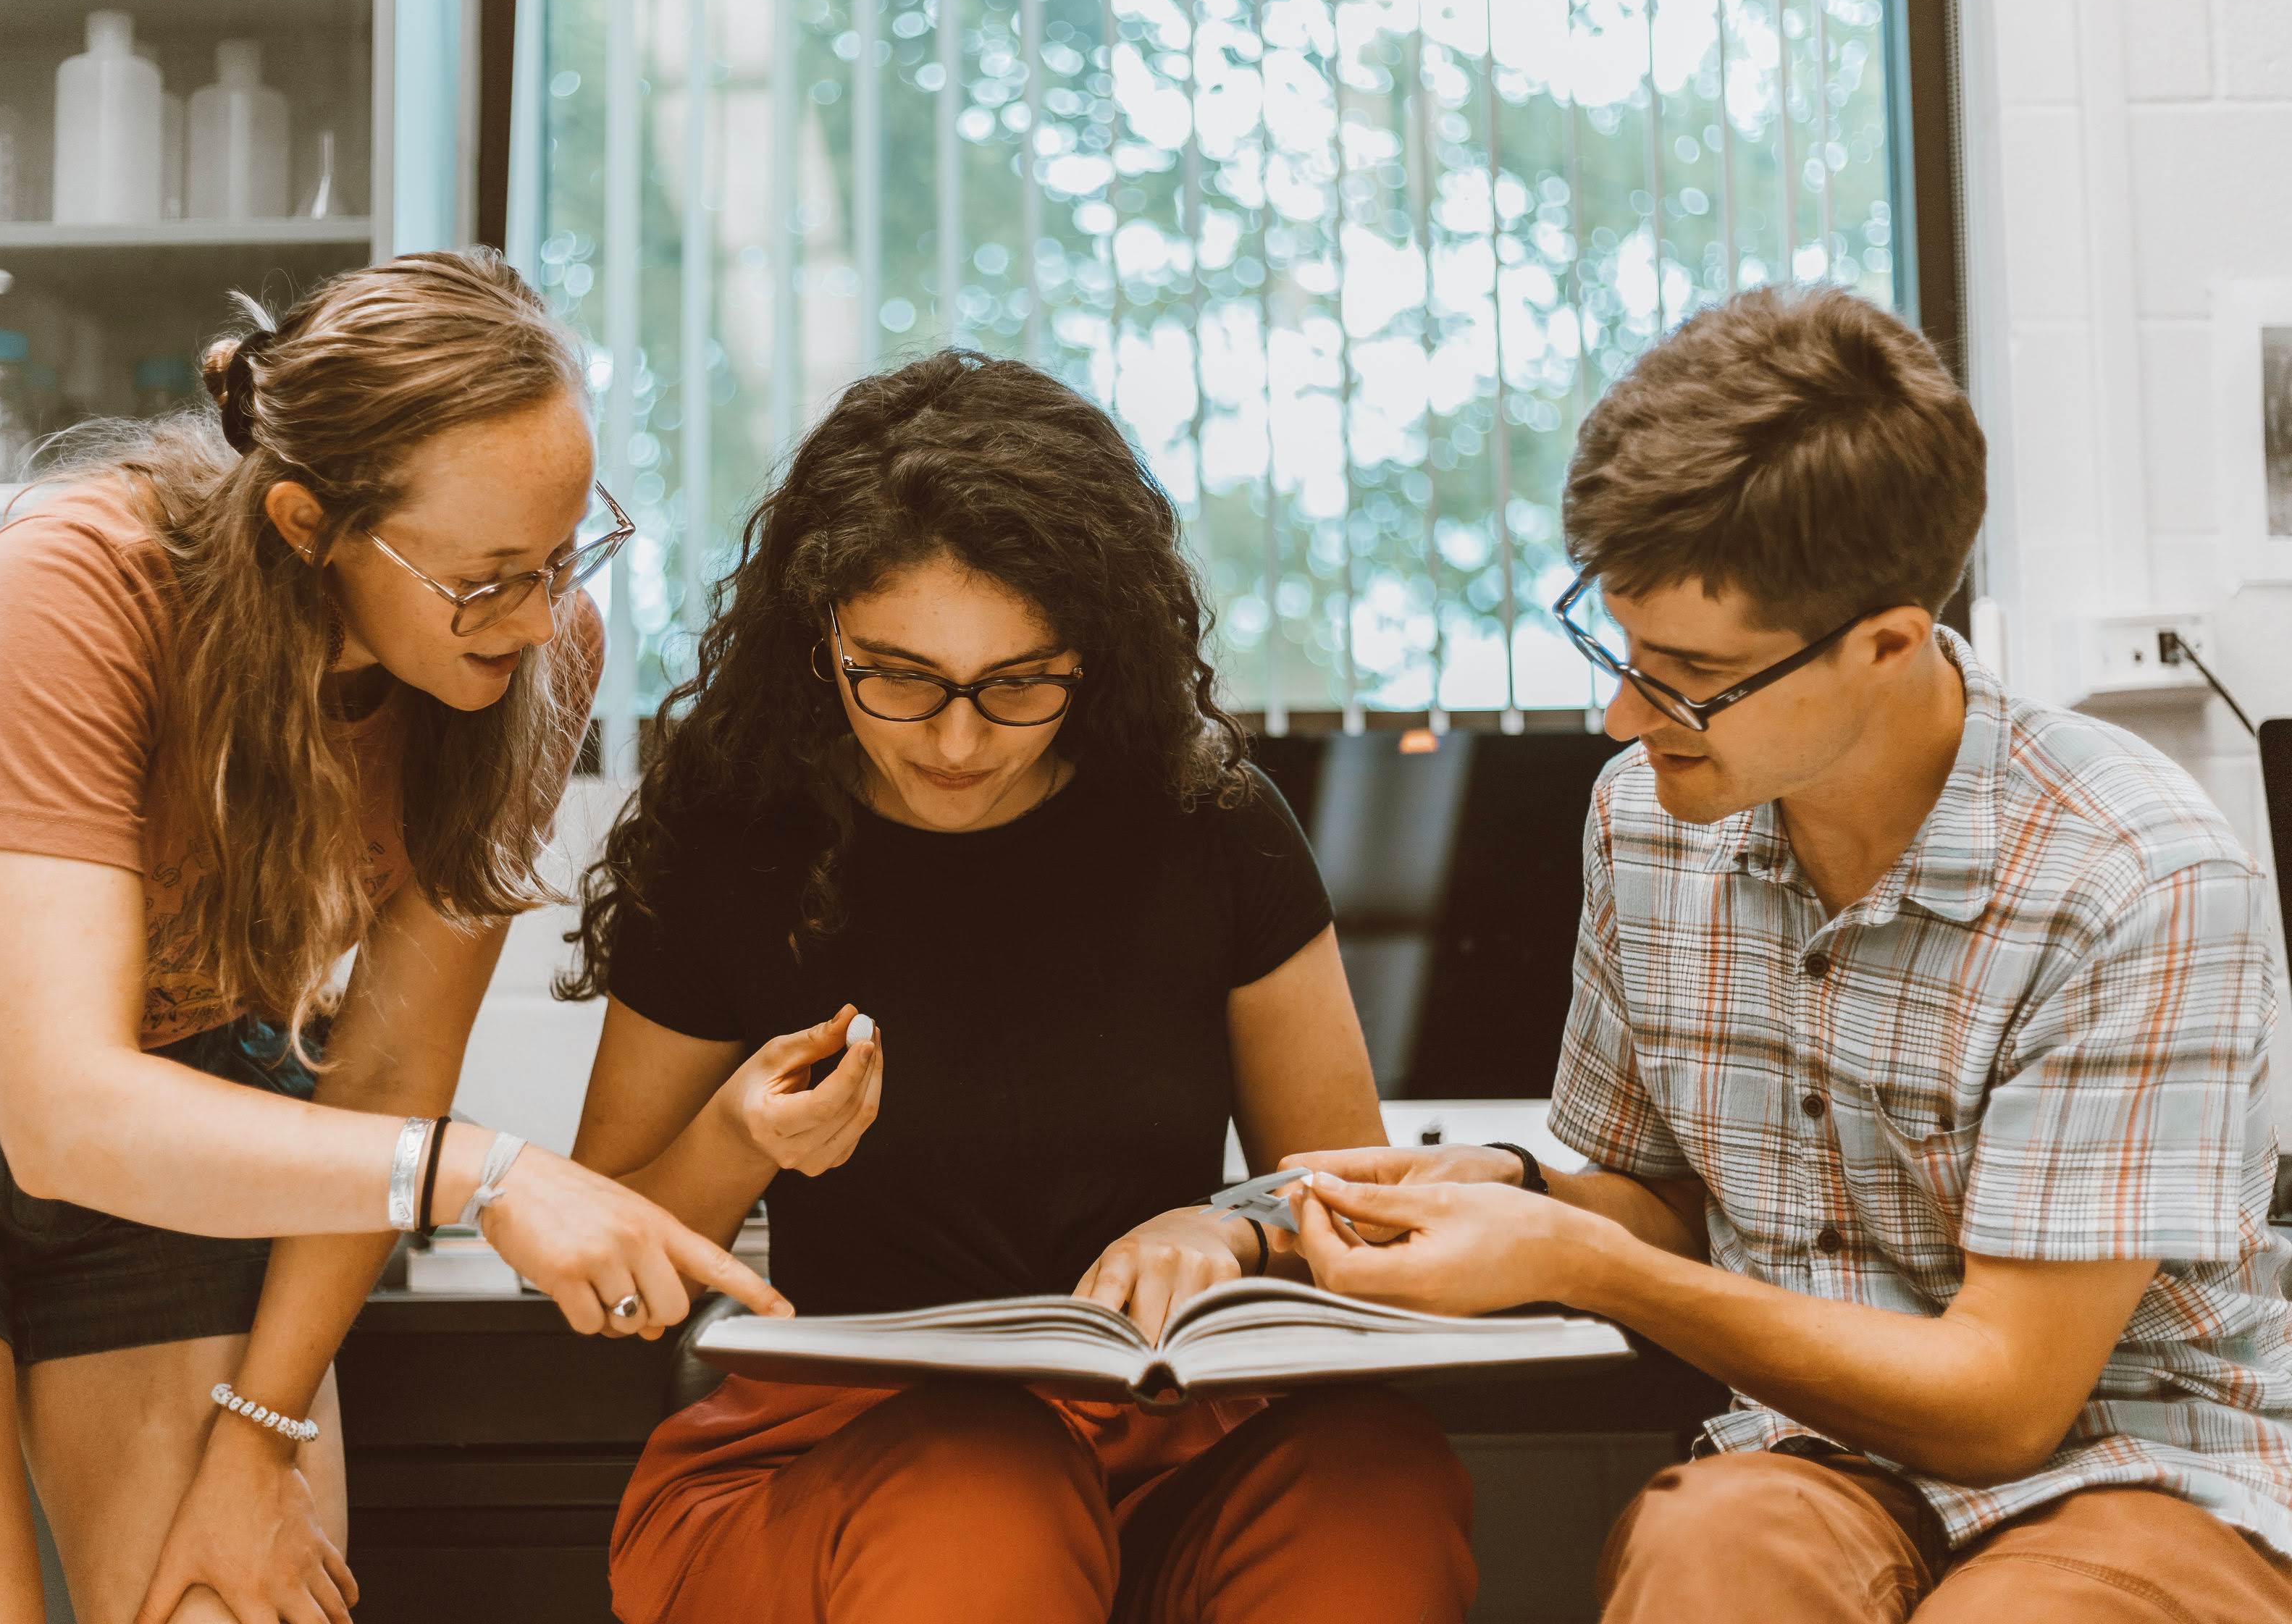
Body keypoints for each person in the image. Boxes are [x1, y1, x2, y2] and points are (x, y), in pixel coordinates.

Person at [0, 249, 785, 1624]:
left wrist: (257, 1442)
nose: (536, 611)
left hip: (191, 1083)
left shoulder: (539, 651)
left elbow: (389, 1074)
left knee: (229, 1606)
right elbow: (63, 1113)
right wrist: (492, 1177)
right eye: (487, 576)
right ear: (307, 521)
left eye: (568, 553)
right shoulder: (81, 583)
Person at [1283, 285, 2292, 1623]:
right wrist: (1518, 1193)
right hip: (1813, 1454)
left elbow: (2002, 1402)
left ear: (1888, 643)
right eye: (1619, 645)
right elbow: (1659, 1202)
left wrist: (1576, 1264)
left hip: (2134, 1461)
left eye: (1687, 674)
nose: (1620, 717)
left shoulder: (2133, 874)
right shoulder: (1648, 818)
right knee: (1710, 1562)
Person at [563, 349, 1476, 1624]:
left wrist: (1232, 1229)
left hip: (1171, 1441)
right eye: (896, 674)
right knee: (988, 1482)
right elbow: (599, 1267)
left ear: (1096, 654)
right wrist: (740, 1138)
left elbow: (1357, 1210)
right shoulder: (736, 835)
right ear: (816, 633)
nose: (954, 740)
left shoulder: (1207, 822)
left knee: (1374, 1477)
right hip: (838, 1461)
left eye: (1018, 683)